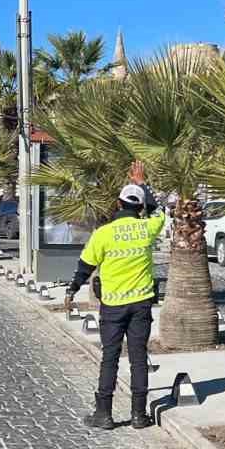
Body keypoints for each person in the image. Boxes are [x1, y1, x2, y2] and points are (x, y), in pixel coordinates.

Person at [64, 164, 166, 432]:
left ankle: (104, 414)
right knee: (138, 358)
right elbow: (160, 211)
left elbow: (84, 267)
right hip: (141, 304)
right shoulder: (147, 228)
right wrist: (143, 184)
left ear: (118, 203)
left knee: (110, 357)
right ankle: (138, 415)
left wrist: (71, 290)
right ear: (139, 208)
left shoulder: (104, 234)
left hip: (112, 306)